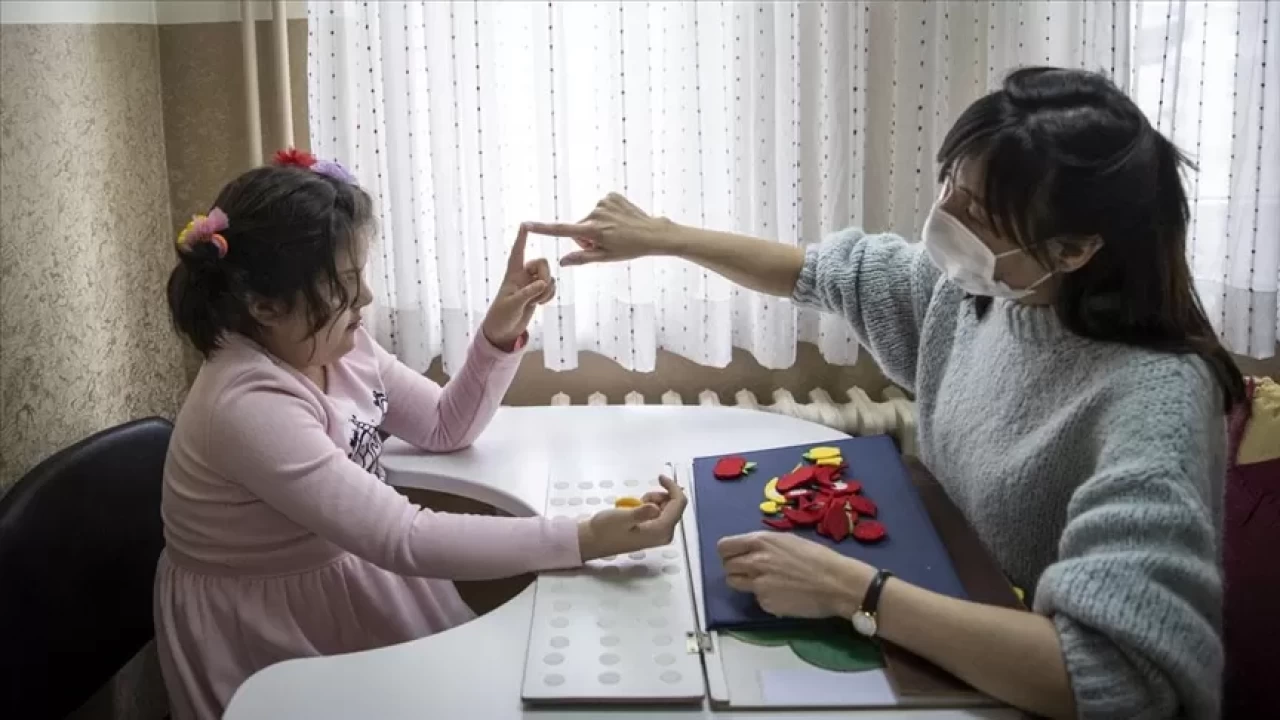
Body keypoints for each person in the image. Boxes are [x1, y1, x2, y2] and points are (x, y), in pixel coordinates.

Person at [526, 67, 1242, 719]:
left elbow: (1114, 679)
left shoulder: (1154, 399)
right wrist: (665, 237)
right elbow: (821, 272)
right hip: (952, 611)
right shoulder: (987, 293)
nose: (946, 218)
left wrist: (853, 590)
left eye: (978, 213)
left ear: (1076, 248)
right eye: (950, 185)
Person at [156, 149, 687, 720]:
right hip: (273, 620)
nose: (365, 298)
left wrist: (499, 331)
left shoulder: (334, 344)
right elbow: (404, 536)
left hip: (353, 570)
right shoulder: (248, 404)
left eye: (360, 276)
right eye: (343, 285)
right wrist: (585, 538)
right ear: (265, 306)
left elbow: (442, 425)